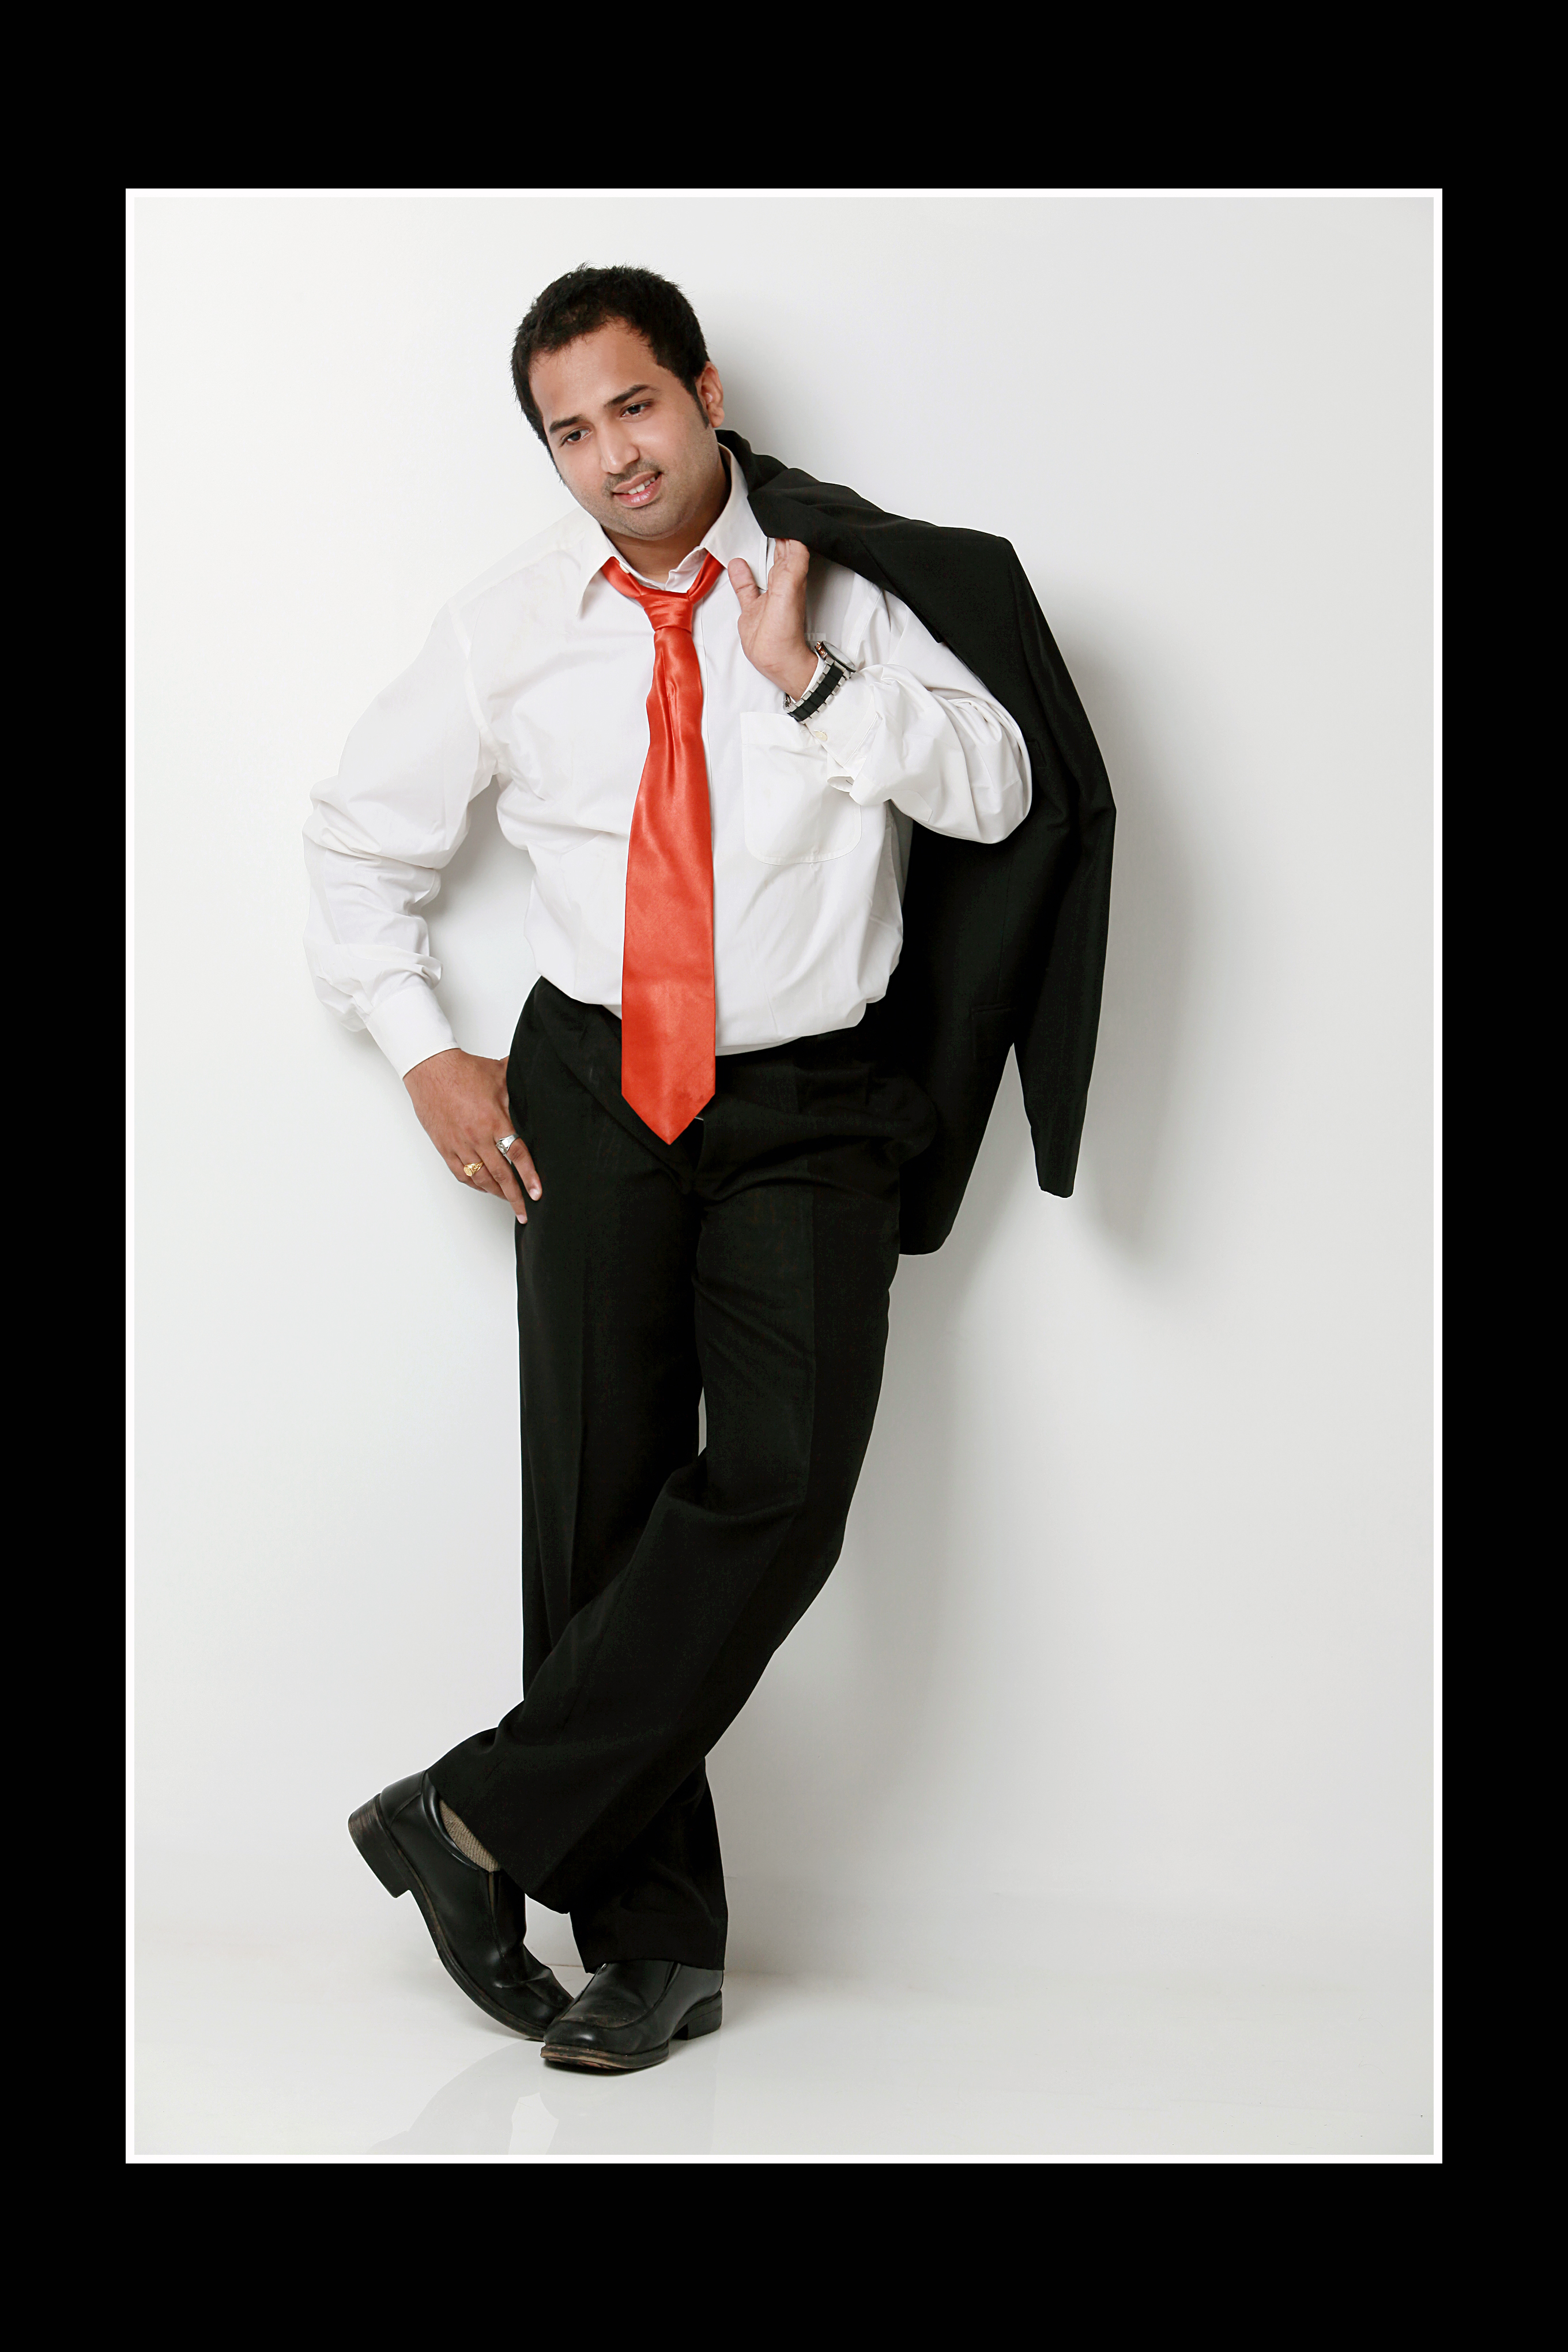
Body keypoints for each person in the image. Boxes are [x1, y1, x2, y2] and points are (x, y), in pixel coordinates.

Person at [306, 265, 1034, 2075]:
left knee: (783, 1487)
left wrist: (814, 684)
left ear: (703, 391)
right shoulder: (505, 625)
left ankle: (471, 1821)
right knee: (600, 1502)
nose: (613, 456)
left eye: (634, 406)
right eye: (571, 432)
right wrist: (424, 1052)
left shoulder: (844, 585)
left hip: (809, 1095)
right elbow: (356, 846)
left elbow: (1000, 788)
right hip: (593, 1081)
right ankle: (651, 1947)